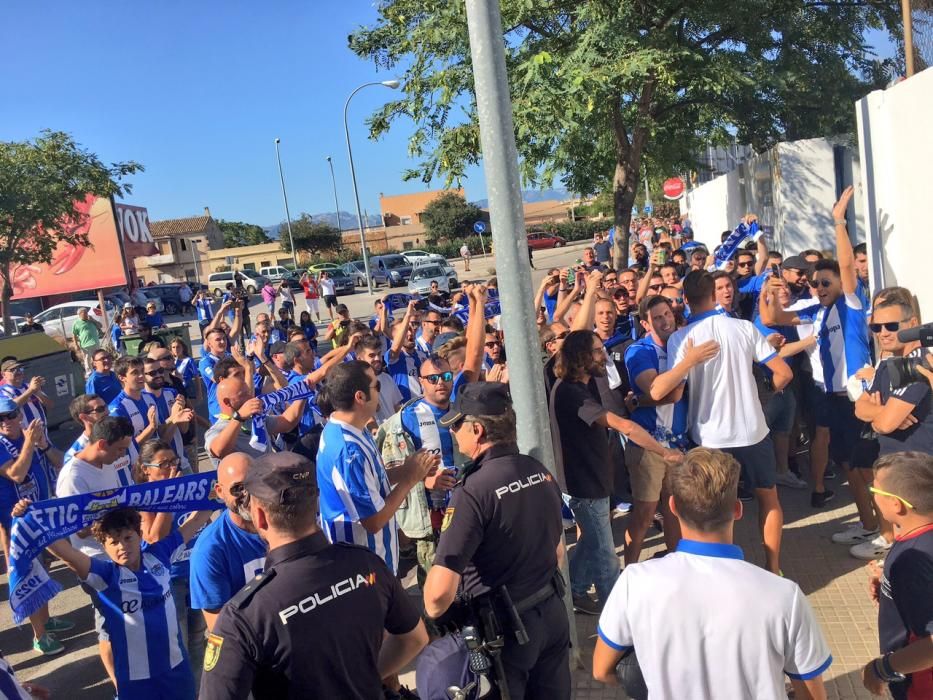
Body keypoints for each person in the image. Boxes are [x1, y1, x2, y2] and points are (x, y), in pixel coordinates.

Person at [592, 448, 832, 700]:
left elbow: (601, 670)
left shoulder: (635, 581)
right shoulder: (785, 595)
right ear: (737, 510)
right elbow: (814, 696)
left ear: (672, 506)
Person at [199, 451, 428, 700]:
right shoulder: (367, 564)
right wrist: (363, 677)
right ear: (315, 505)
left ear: (260, 517)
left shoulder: (245, 615)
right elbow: (414, 638)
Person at [424, 382, 571, 698]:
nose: (453, 432)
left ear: (477, 430)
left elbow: (436, 599)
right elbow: (557, 550)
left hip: (507, 633)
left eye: (458, 425)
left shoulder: (472, 492)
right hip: (552, 614)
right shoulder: (538, 470)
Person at [668, 270, 792, 574]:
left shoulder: (680, 338)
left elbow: (674, 391)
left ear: (685, 300)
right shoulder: (744, 327)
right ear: (714, 295)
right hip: (752, 430)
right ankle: (773, 568)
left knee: (710, 508)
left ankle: (718, 569)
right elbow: (784, 373)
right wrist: (762, 396)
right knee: (769, 498)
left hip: (709, 437)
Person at [549, 330, 681, 613]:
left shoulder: (586, 383)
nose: (604, 354)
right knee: (607, 557)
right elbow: (625, 426)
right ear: (582, 357)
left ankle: (574, 591)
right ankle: (618, 616)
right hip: (582, 485)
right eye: (597, 351)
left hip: (595, 479)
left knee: (593, 539)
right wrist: (664, 452)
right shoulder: (571, 393)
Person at [761, 187, 870, 509]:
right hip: (829, 395)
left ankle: (886, 533)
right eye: (815, 282)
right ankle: (867, 526)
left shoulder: (850, 304)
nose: (819, 287)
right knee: (850, 468)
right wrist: (768, 288)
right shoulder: (816, 310)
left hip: (855, 396)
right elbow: (772, 317)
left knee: (865, 469)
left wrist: (839, 222)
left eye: (825, 282)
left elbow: (848, 268)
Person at [36, 503, 212, 699]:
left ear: (139, 535)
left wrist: (215, 491)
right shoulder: (105, 576)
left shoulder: (159, 555)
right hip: (135, 680)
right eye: (114, 542)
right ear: (104, 547)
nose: (122, 547)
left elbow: (196, 520)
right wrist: (32, 520)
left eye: (128, 538)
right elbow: (67, 554)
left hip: (176, 669)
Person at [316, 360, 437, 574]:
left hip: (376, 558)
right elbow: (373, 520)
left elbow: (372, 480)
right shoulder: (349, 451)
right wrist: (409, 478)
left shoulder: (352, 427)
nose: (380, 388)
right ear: (360, 397)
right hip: (365, 566)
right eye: (376, 386)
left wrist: (407, 470)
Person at [623, 295, 720, 563]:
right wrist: (687, 365)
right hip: (649, 447)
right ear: (645, 323)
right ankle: (629, 570)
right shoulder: (639, 351)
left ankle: (675, 561)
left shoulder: (683, 343)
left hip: (679, 445)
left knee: (675, 509)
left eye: (667, 314)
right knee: (645, 513)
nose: (665, 321)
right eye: (657, 317)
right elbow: (657, 390)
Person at [57, 415, 135, 688]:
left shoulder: (106, 462)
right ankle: (119, 687)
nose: (122, 455)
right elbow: (77, 529)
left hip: (117, 554)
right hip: (94, 562)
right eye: (119, 449)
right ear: (102, 443)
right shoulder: (73, 477)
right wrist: (116, 515)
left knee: (124, 620)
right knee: (109, 624)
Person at [853, 295, 932, 560]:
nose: (883, 333)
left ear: (913, 323)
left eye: (891, 326)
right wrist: (881, 413)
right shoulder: (888, 363)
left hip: (918, 474)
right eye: (876, 327)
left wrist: (881, 417)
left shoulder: (920, 363)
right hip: (897, 468)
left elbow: (885, 424)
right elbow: (860, 407)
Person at [132, 440, 208, 687]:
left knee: (199, 639)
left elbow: (203, 515)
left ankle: (198, 688)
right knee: (179, 643)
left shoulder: (186, 485)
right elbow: (154, 538)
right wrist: (168, 495)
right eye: (163, 463)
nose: (171, 466)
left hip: (196, 573)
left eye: (173, 461)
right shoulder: (143, 498)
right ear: (146, 469)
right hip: (170, 580)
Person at [0, 398, 71, 656]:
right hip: (15, 524)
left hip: (40, 516)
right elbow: (17, 474)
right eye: (0, 418)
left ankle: (46, 620)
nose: (5, 422)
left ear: (19, 414)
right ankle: (39, 635)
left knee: (43, 569)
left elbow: (60, 461)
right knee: (27, 574)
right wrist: (30, 443)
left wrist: (42, 444)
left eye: (10, 415)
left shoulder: (32, 436)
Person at [862, 451, 933, 699]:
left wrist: (882, 669)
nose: (872, 494)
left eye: (874, 491)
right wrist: (891, 589)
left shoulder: (912, 562)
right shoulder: (919, 540)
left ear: (896, 504)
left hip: (921, 686)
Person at [190, 453, 267, 633]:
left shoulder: (282, 522)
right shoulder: (210, 550)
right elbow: (219, 629)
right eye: (237, 488)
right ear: (220, 491)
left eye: (251, 484)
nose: (247, 495)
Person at [108, 356, 159, 446]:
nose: (141, 375)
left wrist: (174, 418)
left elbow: (160, 430)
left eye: (142, 371)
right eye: (135, 372)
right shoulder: (117, 408)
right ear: (122, 378)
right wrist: (151, 427)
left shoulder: (150, 397)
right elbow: (125, 447)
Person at [199, 328, 231, 420]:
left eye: (224, 338)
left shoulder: (231, 356)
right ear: (209, 344)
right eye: (218, 340)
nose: (222, 342)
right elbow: (217, 379)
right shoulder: (205, 361)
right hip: (218, 409)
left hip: (235, 405)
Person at [72, 306, 103, 377]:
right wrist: (76, 344)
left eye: (86, 313)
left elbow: (100, 325)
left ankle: (99, 369)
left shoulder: (90, 320)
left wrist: (93, 320)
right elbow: (74, 335)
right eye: (84, 313)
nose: (86, 315)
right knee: (87, 359)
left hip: (95, 342)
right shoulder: (76, 323)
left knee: (98, 357)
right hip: (85, 344)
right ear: (80, 314)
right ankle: (89, 373)